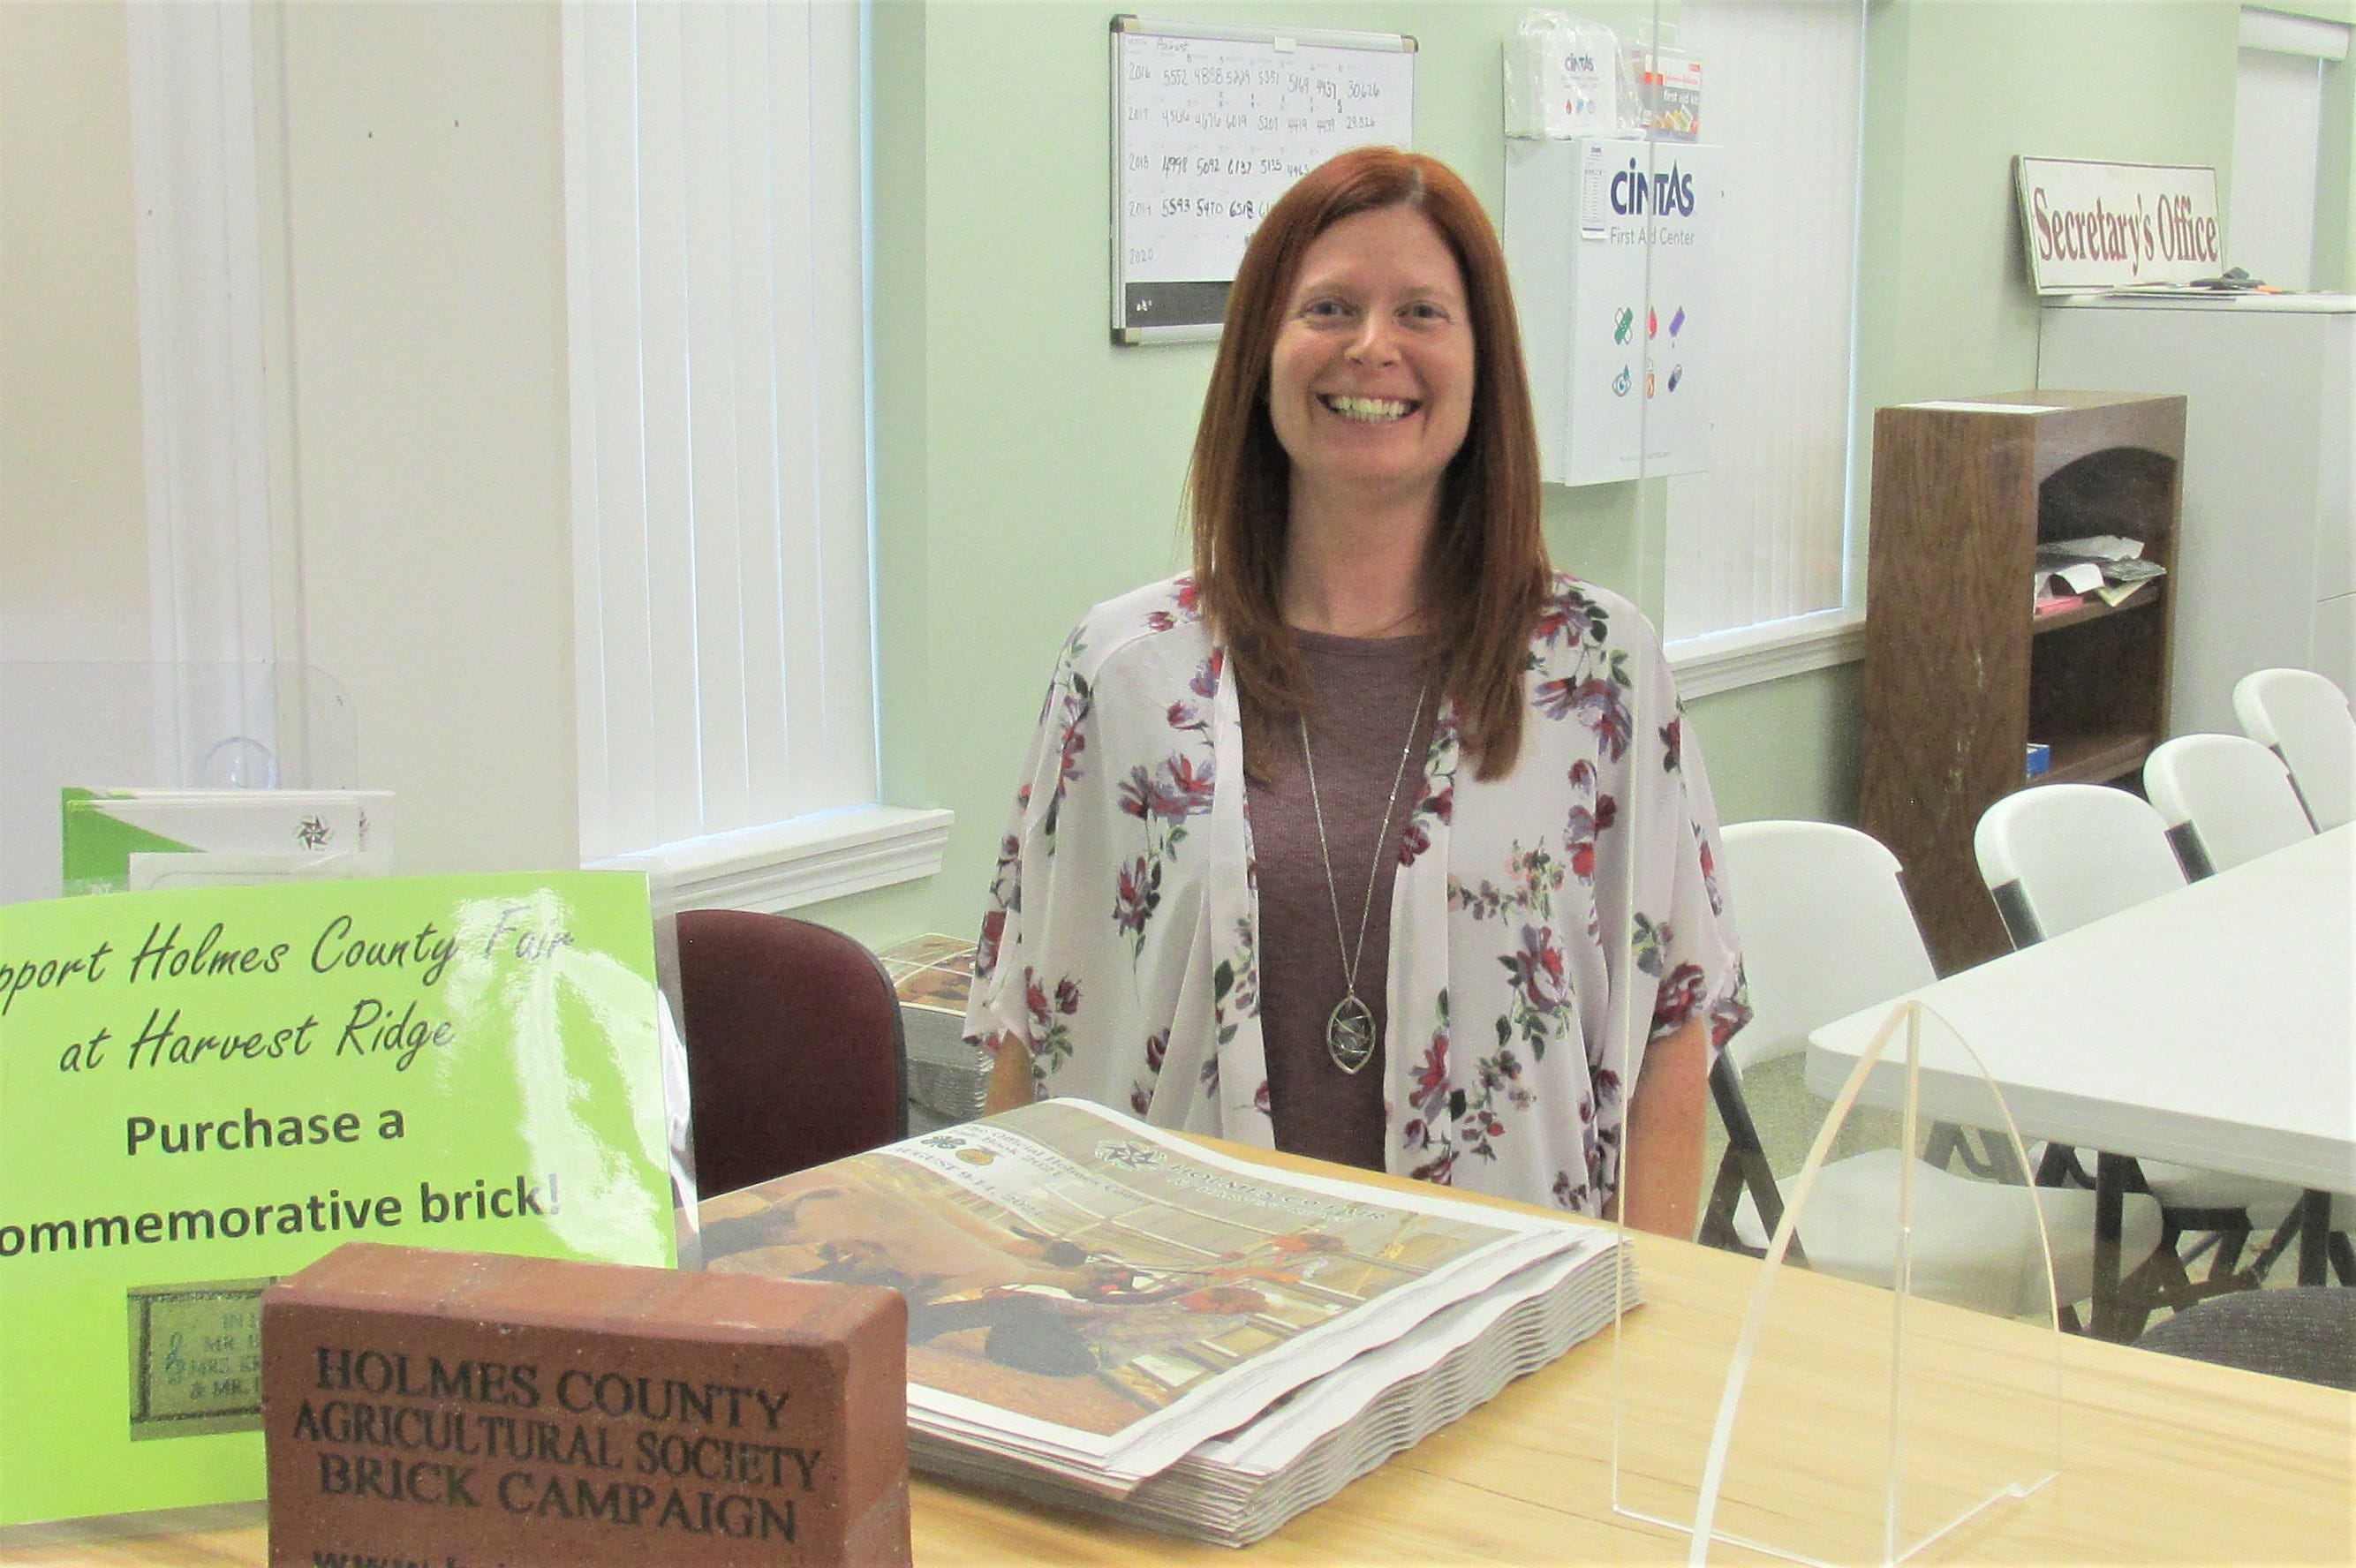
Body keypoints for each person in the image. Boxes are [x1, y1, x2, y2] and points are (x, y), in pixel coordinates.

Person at [962, 147, 1746, 1238]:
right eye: (1328, 307)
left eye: (1421, 312)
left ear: (1482, 365)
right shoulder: (1123, 671)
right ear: (1259, 356)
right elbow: (1035, 1026)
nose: (1372, 347)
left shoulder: (1599, 671)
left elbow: (1673, 1030)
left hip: (1508, 1306)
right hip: (1184, 1301)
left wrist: (1646, 1308)